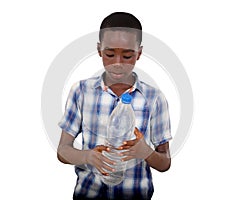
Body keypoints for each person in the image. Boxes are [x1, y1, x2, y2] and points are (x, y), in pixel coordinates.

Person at [57, 12, 172, 200]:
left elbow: (164, 163)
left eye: (127, 56)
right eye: (110, 54)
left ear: (139, 53)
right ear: (99, 50)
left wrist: (146, 152)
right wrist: (86, 156)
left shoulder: (154, 98)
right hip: (88, 194)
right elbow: (63, 151)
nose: (118, 63)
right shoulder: (81, 91)